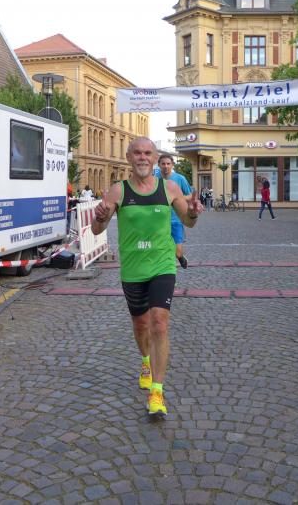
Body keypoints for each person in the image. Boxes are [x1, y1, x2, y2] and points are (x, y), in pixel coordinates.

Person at [91, 137, 203, 418]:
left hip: (163, 264)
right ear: (129, 157)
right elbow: (96, 229)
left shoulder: (170, 188)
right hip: (133, 269)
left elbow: (188, 221)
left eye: (148, 153)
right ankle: (145, 360)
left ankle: (157, 391)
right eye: (137, 153)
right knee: (141, 325)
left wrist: (193, 213)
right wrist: (100, 217)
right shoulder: (118, 191)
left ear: (155, 159)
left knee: (159, 324)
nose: (143, 157)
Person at [154, 154, 192, 269]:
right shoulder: (153, 179)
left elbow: (190, 195)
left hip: (176, 219)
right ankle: (165, 270)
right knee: (159, 249)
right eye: (163, 164)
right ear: (159, 165)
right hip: (158, 220)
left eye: (168, 164)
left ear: (172, 165)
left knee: (178, 252)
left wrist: (177, 199)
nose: (166, 166)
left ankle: (180, 257)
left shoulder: (180, 179)